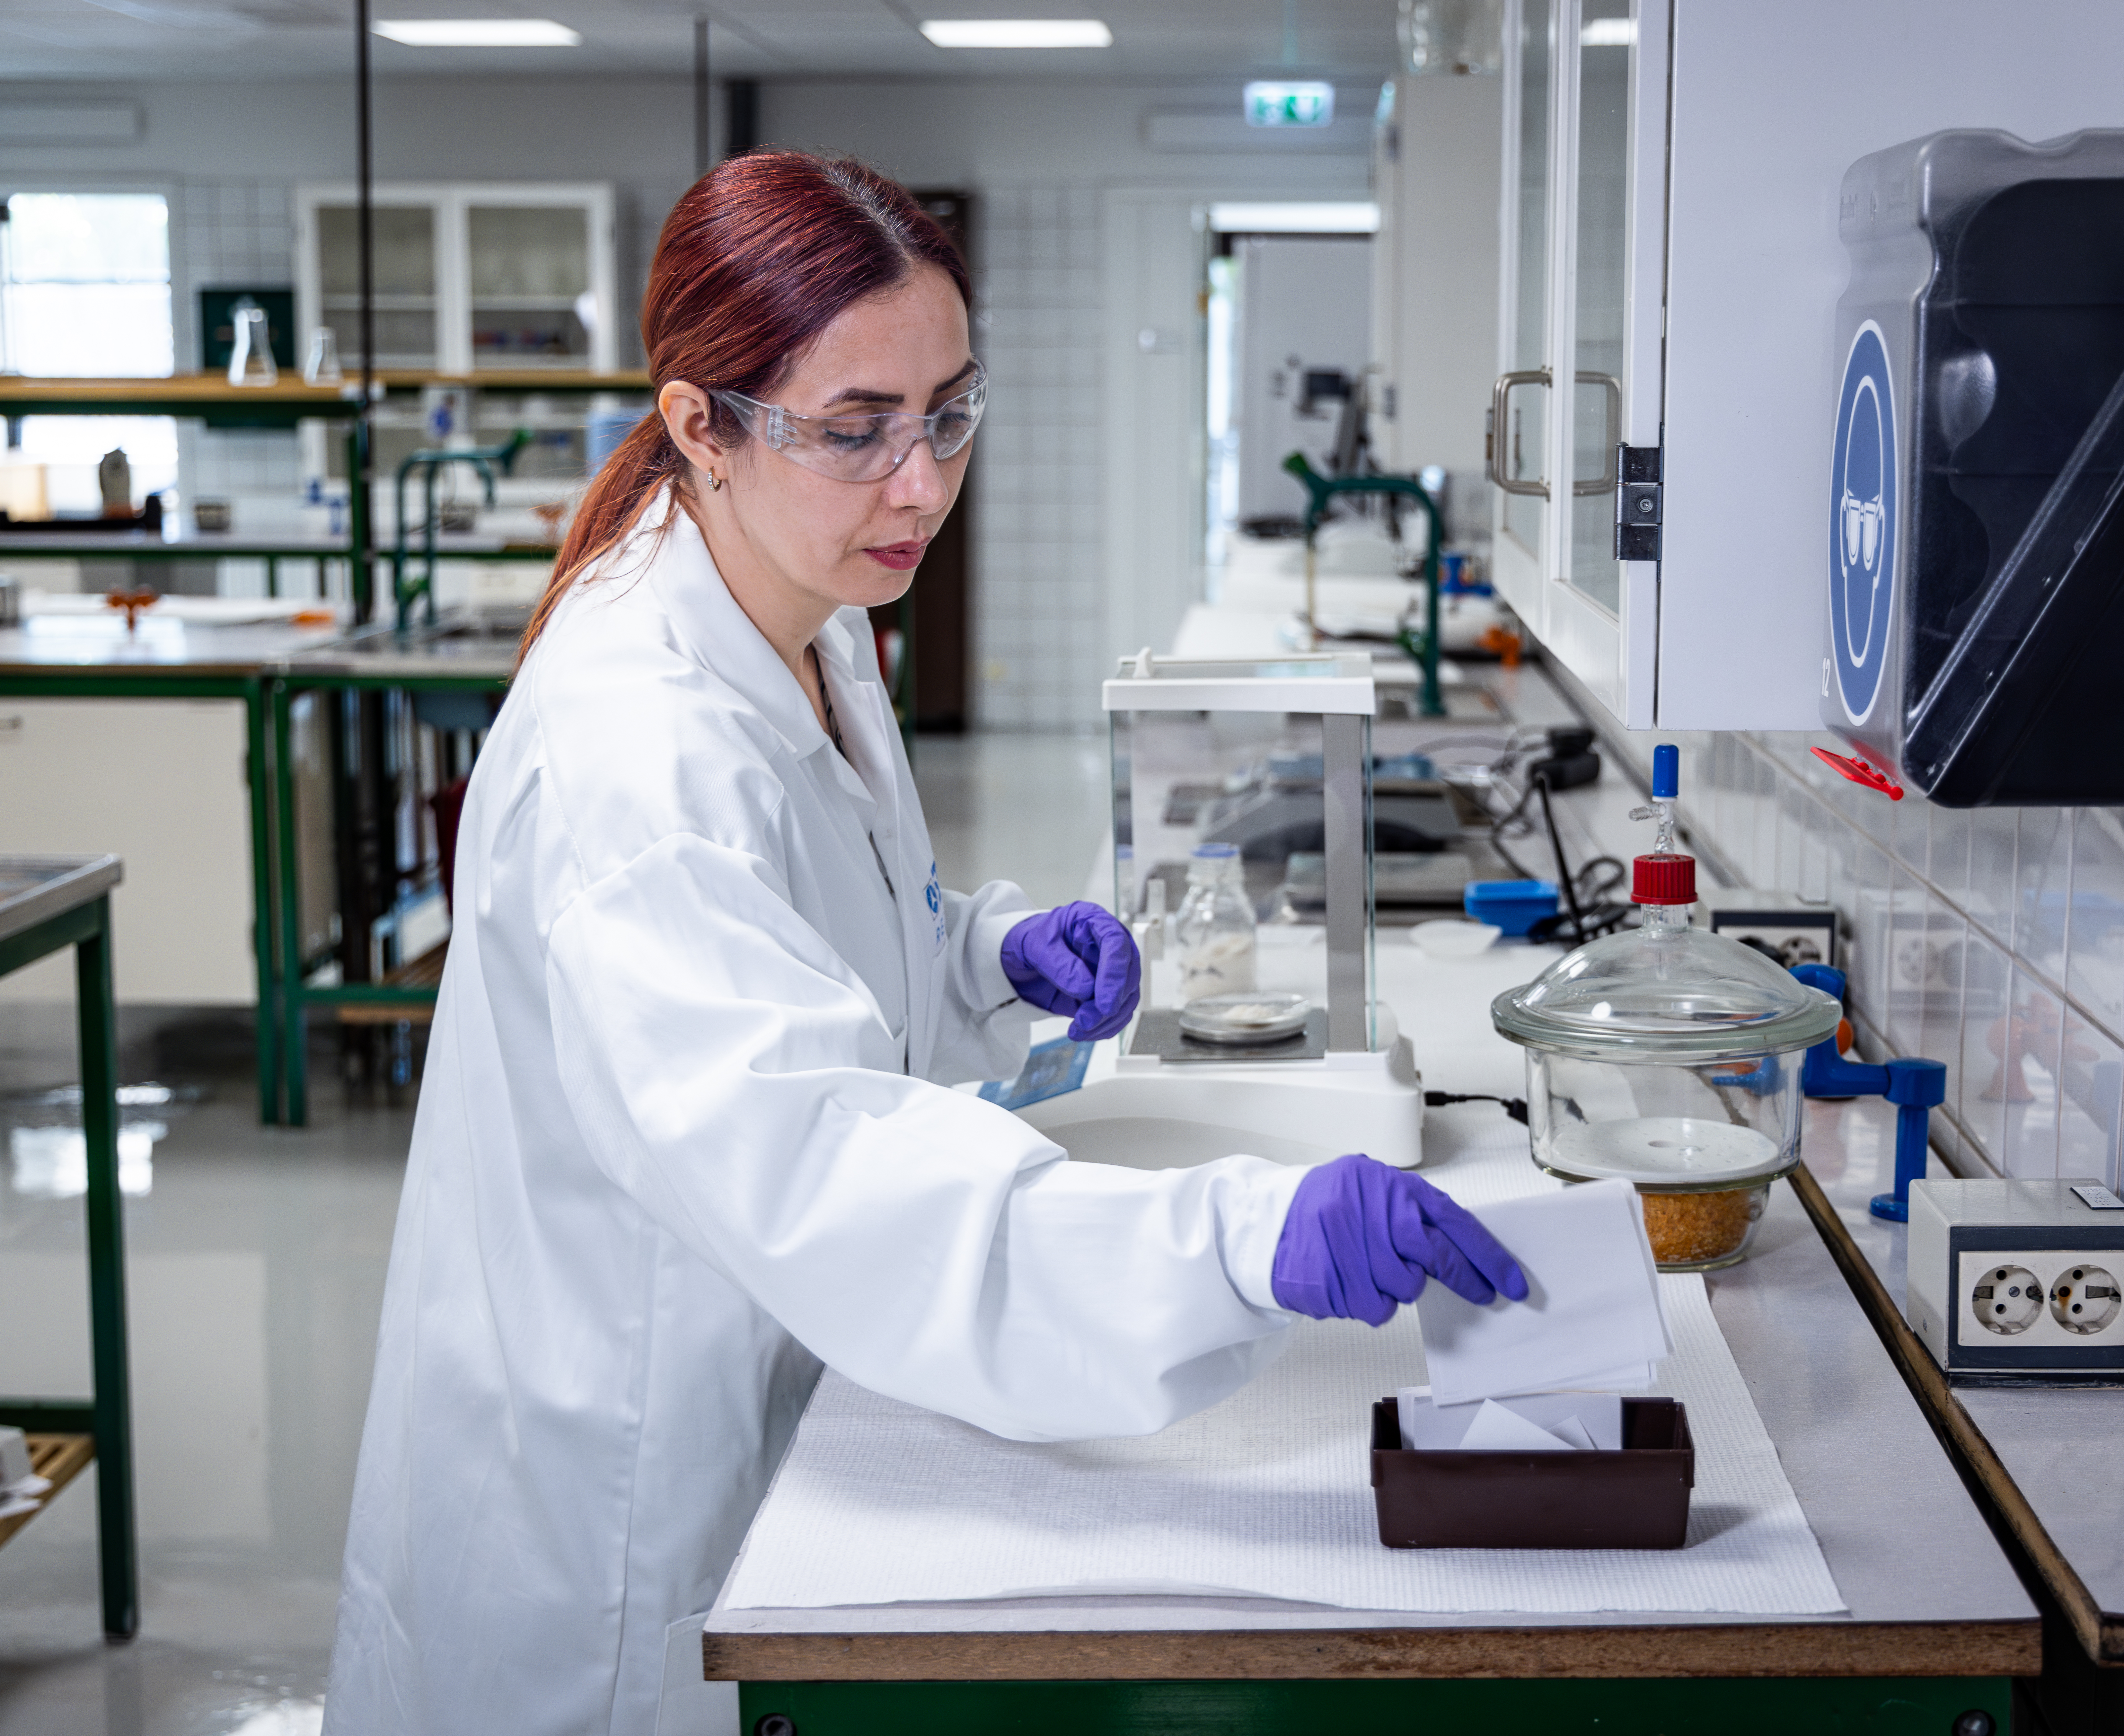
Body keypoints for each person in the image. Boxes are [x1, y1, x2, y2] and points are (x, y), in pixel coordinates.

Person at [324, 150, 1525, 1736]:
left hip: (765, 1367)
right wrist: (1235, 1243)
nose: (921, 482)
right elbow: (829, 1169)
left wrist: (982, 958)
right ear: (702, 425)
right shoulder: (641, 749)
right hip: (614, 1479)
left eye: (949, 411)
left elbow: (807, 941)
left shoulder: (808, 606)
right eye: (856, 428)